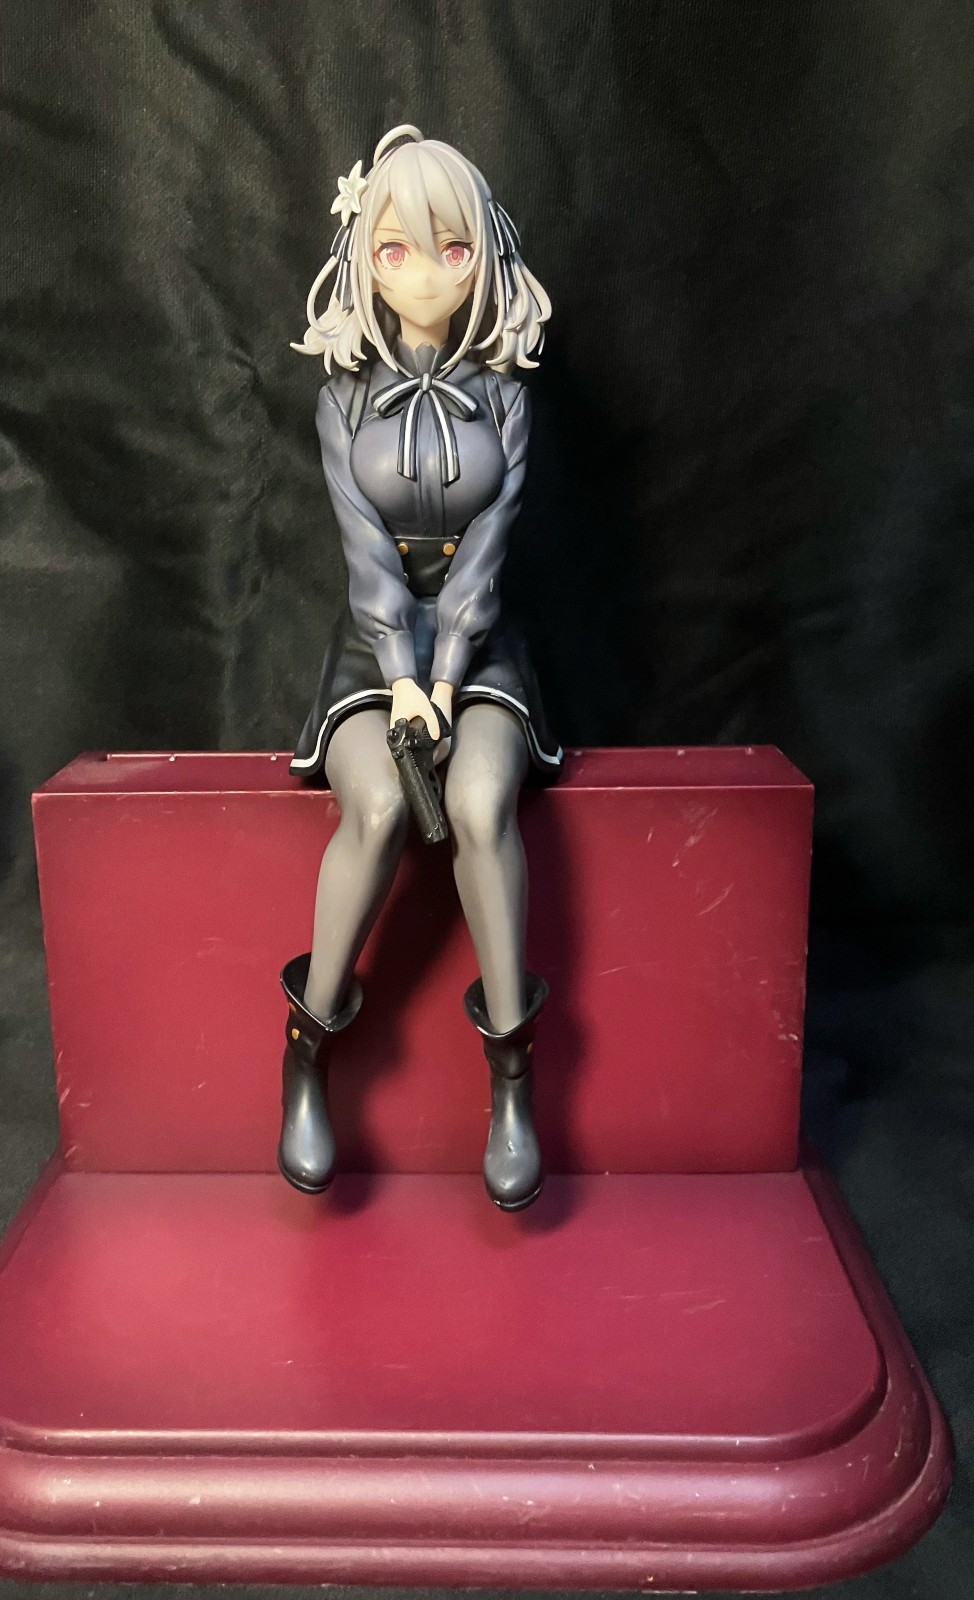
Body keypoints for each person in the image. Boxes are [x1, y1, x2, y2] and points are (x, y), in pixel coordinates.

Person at [280, 125, 562, 1210]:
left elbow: (490, 549)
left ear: (484, 252)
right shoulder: (341, 400)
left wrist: (445, 681)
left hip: (481, 645)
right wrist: (401, 674)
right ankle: (308, 1052)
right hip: (373, 640)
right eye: (397, 249)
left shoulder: (509, 396)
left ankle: (513, 1077)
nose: (429, 273)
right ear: (364, 258)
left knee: (482, 802)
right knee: (382, 806)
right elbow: (363, 551)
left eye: (452, 248)